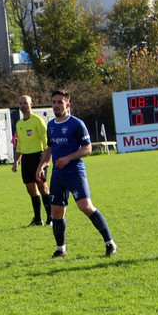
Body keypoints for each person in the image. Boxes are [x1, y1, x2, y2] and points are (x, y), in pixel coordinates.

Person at [37, 90, 116, 258]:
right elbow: (50, 149)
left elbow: (87, 148)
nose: (56, 105)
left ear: (68, 104)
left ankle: (110, 243)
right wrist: (42, 165)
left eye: (60, 102)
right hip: (58, 175)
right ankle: (61, 249)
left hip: (75, 172)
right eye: (54, 102)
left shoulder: (76, 124)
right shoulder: (50, 125)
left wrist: (68, 158)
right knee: (56, 211)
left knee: (85, 207)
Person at [12, 94, 52, 226]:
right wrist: (16, 161)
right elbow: (20, 144)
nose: (23, 105)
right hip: (26, 159)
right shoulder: (19, 124)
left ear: (31, 104)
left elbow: (46, 141)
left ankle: (50, 218)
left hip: (38, 157)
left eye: (25, 103)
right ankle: (37, 219)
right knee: (30, 189)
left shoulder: (38, 120)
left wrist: (47, 158)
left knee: (42, 187)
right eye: (21, 103)